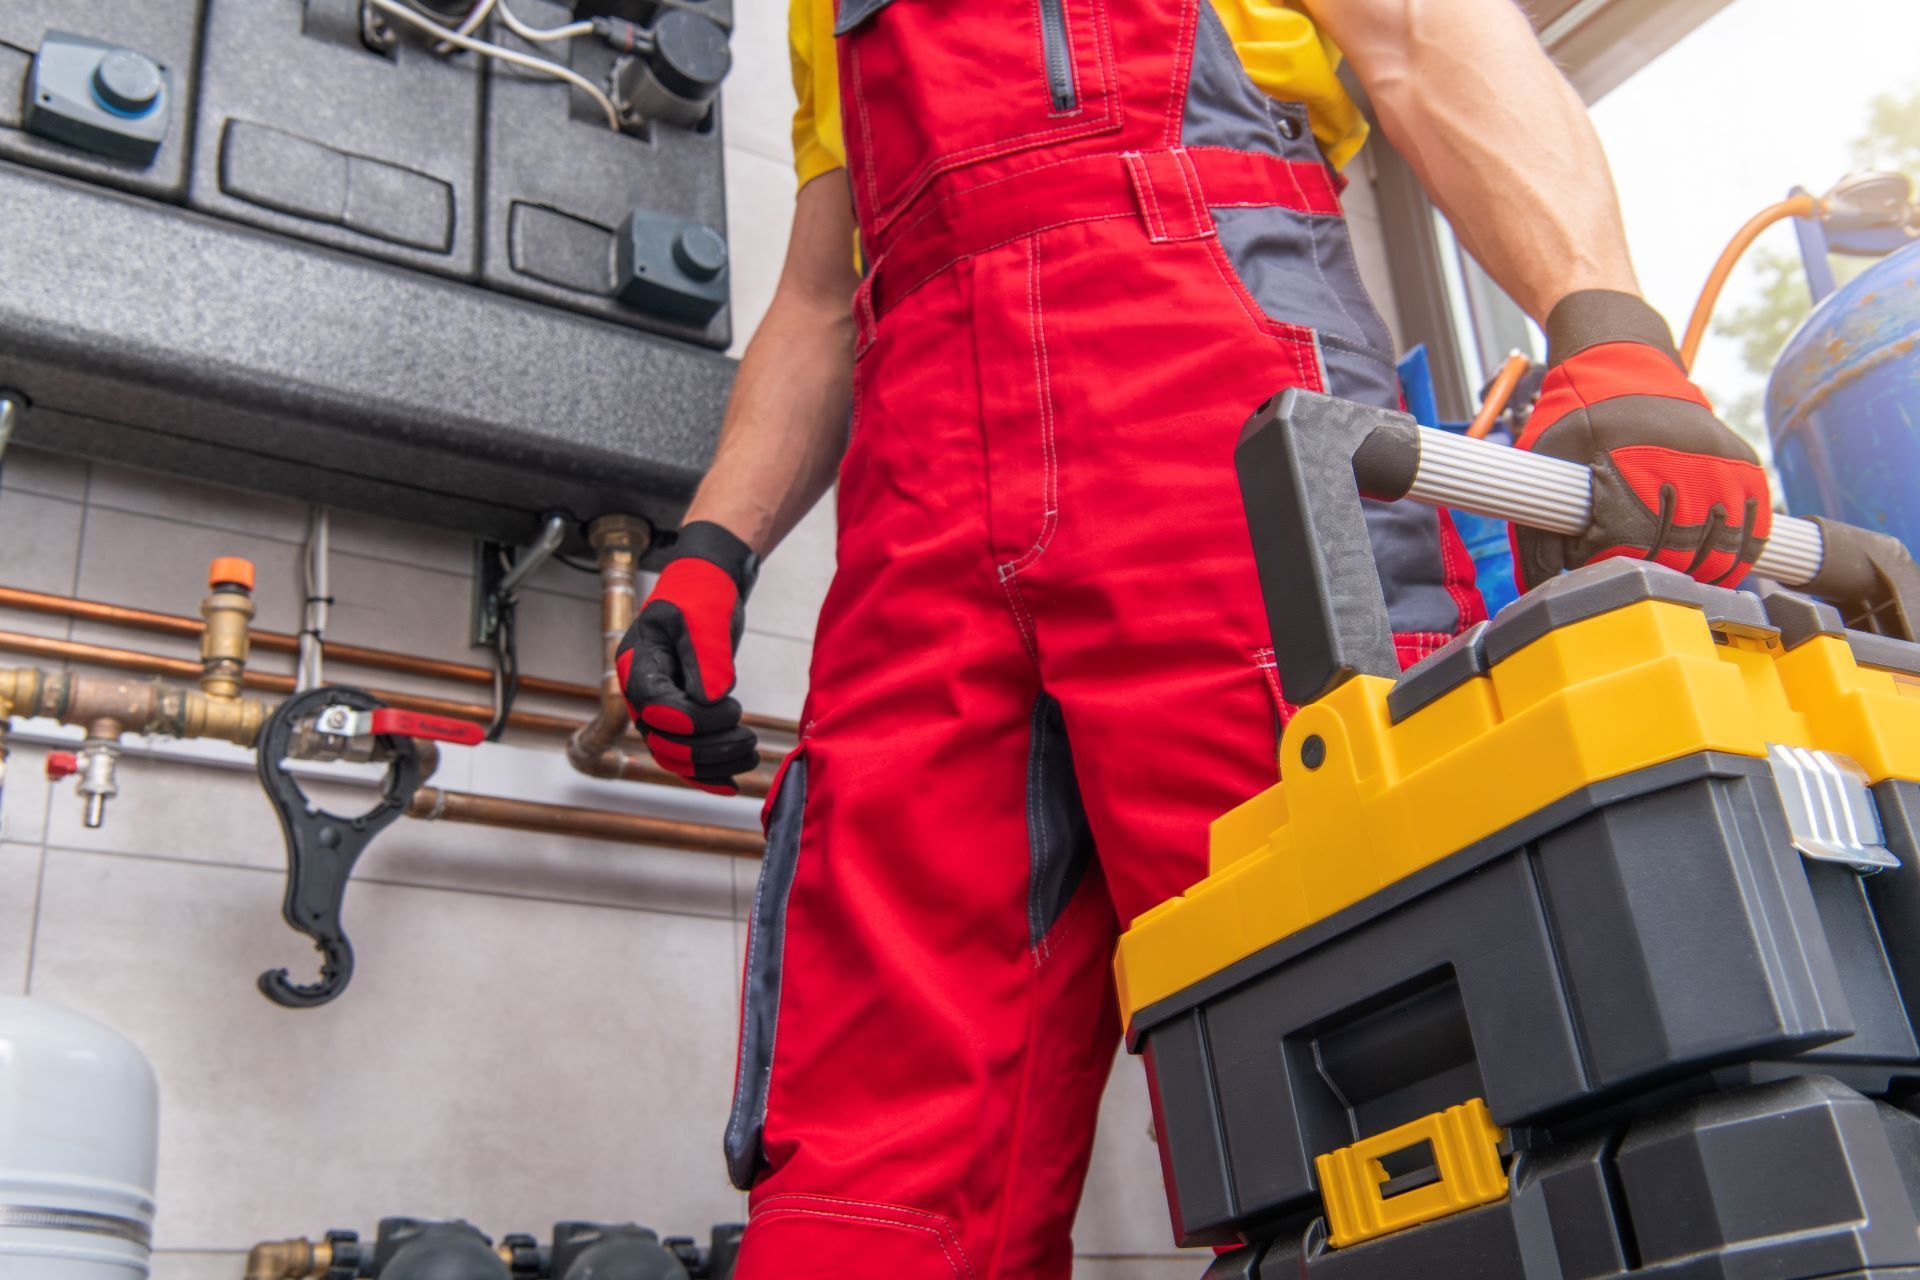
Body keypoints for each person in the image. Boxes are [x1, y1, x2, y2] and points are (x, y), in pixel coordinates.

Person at [616, 0, 1772, 1272]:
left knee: (1375, 1056)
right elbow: (822, 292)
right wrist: (712, 550)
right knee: (868, 1154)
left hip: (1214, 400)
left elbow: (1424, 38)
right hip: (920, 490)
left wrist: (1606, 332)